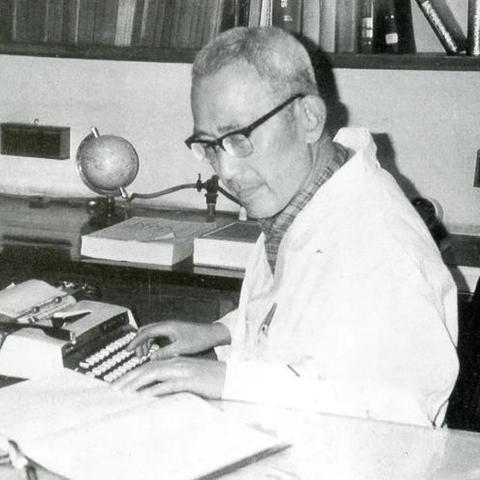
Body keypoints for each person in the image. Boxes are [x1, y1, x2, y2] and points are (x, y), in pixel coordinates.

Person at [116, 26, 459, 427]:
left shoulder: (380, 245)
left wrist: (226, 380)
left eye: (239, 137)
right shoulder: (301, 200)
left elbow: (401, 413)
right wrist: (221, 332)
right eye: (210, 146)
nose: (226, 171)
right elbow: (314, 326)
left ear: (309, 118)